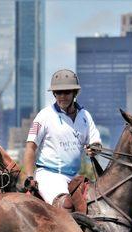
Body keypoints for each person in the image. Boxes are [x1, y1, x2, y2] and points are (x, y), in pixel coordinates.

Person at [22, 69, 102, 211]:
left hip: (75, 177)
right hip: (49, 175)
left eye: (66, 92)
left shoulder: (85, 116)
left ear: (74, 93)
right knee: (67, 206)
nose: (62, 96)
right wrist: (29, 177)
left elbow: (95, 142)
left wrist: (94, 148)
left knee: (97, 204)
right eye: (58, 92)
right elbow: (30, 147)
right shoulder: (44, 116)